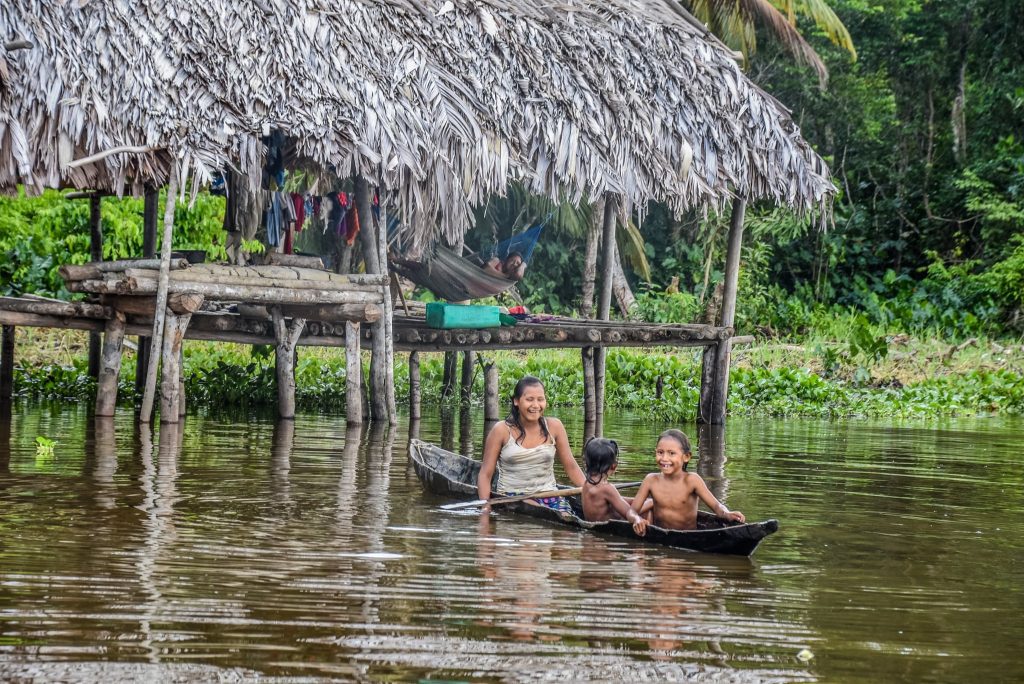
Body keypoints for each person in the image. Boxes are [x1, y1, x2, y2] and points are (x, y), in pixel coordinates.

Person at [477, 375, 585, 513]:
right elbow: (485, 474)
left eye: (540, 399)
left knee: (566, 520)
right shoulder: (501, 430)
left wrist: (590, 489)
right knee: (538, 512)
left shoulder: (555, 426)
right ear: (516, 401)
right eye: (529, 399)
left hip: (549, 496)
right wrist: (485, 507)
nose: (535, 405)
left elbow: (571, 467)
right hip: (511, 498)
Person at [630, 429, 745, 530]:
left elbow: (716, 506)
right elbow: (631, 511)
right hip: (660, 534)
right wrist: (636, 519)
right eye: (660, 452)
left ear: (686, 457)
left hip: (689, 535)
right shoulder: (651, 480)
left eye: (671, 453)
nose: (664, 458)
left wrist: (727, 513)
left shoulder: (692, 480)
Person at [581, 437, 648, 535]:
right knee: (648, 511)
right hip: (606, 532)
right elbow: (629, 512)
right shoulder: (606, 488)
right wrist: (652, 502)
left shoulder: (587, 484)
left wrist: (638, 501)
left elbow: (618, 500)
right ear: (614, 466)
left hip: (595, 529)